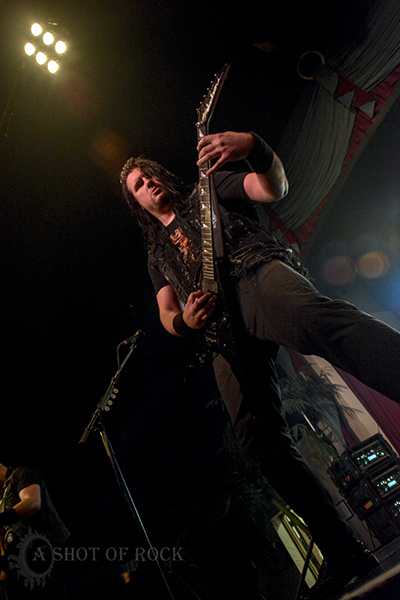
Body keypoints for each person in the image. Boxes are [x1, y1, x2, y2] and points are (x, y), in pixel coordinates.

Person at [120, 130, 400, 599]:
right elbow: (167, 313)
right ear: (137, 203)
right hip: (221, 333)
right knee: (256, 437)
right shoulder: (156, 256)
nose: (148, 183)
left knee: (322, 323)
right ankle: (343, 551)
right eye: (137, 185)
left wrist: (253, 146)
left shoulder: (208, 190)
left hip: (255, 275)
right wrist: (186, 322)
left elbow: (273, 188)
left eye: (149, 174)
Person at [0, 463, 70, 599]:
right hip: (26, 563)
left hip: (46, 550)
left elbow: (32, 502)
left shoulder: (21, 474)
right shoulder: (2, 496)